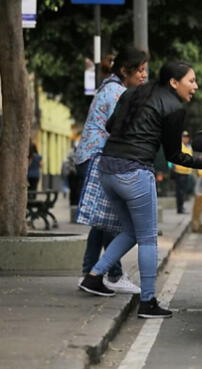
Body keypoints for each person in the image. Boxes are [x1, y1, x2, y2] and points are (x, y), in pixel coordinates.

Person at [79, 61, 202, 319]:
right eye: (191, 81)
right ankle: (148, 302)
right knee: (147, 238)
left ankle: (94, 276)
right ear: (174, 82)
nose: (196, 86)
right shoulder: (174, 108)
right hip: (135, 173)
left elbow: (111, 126)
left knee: (131, 231)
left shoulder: (132, 92)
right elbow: (175, 154)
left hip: (108, 169)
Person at [75, 47, 149, 294]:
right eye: (140, 70)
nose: (144, 75)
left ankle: (89, 273)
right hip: (99, 157)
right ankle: (114, 275)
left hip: (91, 156)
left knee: (100, 220)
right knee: (110, 219)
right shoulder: (118, 93)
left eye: (145, 70)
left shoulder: (109, 87)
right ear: (124, 71)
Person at [172, 130, 193, 214]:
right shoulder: (179, 146)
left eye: (187, 137)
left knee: (183, 191)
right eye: (184, 137)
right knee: (179, 192)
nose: (185, 139)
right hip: (179, 171)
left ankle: (181, 207)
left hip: (186, 172)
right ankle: (179, 209)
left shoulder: (189, 147)